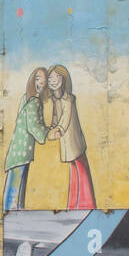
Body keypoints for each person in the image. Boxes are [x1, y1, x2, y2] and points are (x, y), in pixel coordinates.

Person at [3, 67, 58, 210]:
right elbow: (34, 127)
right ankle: (11, 212)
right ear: (32, 80)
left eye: (43, 80)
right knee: (15, 189)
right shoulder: (34, 101)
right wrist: (48, 134)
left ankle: (13, 211)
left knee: (16, 185)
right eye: (38, 79)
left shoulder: (27, 98)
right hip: (21, 152)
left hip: (19, 151)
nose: (41, 83)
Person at [47, 64, 94, 209]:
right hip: (67, 145)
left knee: (82, 172)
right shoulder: (55, 100)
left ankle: (87, 203)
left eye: (57, 77)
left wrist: (57, 131)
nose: (53, 80)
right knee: (74, 174)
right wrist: (50, 129)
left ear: (64, 79)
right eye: (50, 78)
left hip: (75, 143)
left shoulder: (69, 99)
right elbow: (56, 119)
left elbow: (65, 121)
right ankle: (74, 204)